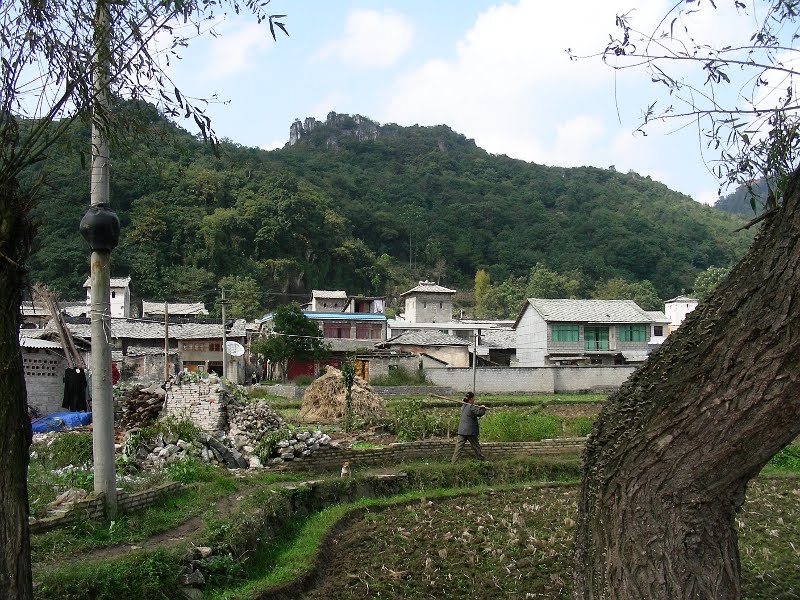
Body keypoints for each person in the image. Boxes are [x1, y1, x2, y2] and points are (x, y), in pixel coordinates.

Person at [451, 391, 487, 462]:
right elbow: (479, 413)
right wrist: (483, 408)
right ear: (471, 399)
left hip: (462, 430)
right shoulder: (471, 407)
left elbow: (474, 412)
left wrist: (480, 408)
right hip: (470, 431)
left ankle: (454, 462)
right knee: (476, 447)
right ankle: (482, 460)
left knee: (458, 447)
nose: (474, 400)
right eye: (473, 398)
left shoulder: (463, 406)